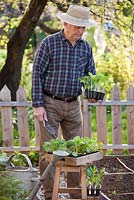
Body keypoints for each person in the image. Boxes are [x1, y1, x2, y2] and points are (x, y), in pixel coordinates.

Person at [32, 4, 96, 200]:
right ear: (66, 23)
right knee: (49, 152)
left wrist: (92, 91)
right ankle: (51, 194)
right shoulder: (49, 43)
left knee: (76, 152)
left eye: (83, 27)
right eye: (77, 26)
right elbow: (37, 74)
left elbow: (90, 74)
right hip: (50, 103)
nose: (80, 31)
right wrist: (38, 105)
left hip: (74, 105)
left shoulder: (86, 47)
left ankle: (75, 193)